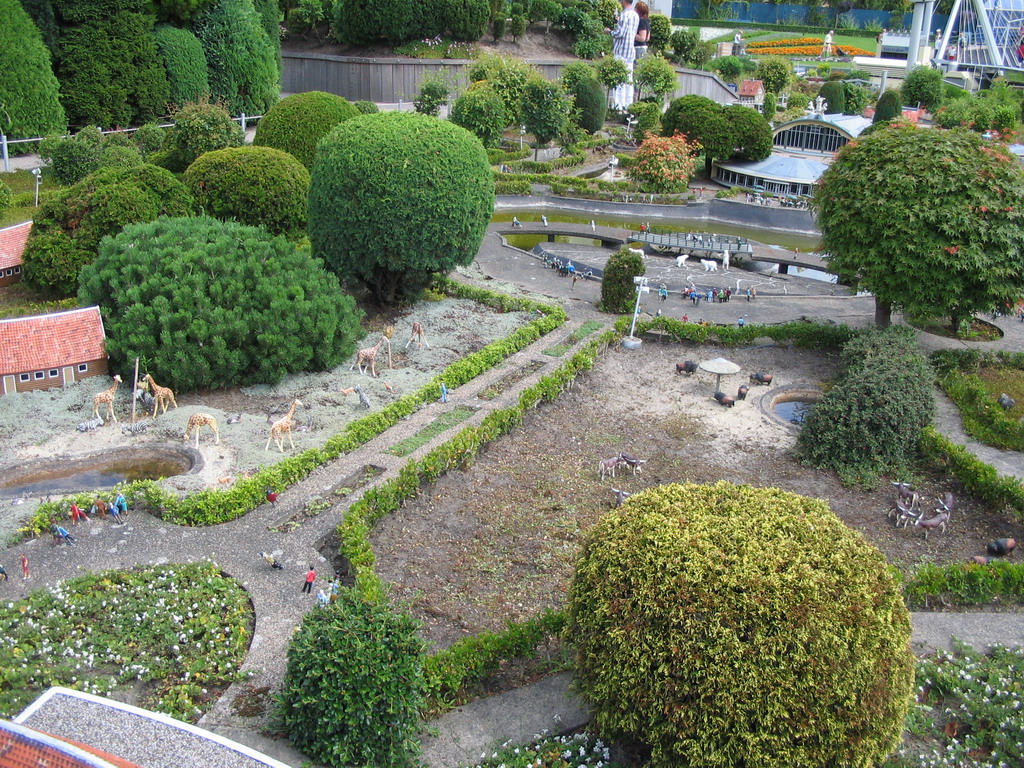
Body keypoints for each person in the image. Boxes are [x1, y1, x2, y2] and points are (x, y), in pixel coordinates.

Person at [606, 0, 640, 110]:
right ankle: (628, 105)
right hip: (630, 51)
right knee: (628, 80)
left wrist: (609, 31)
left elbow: (620, 33)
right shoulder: (635, 15)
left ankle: (618, 107)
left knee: (619, 80)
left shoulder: (624, 14)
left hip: (621, 51)